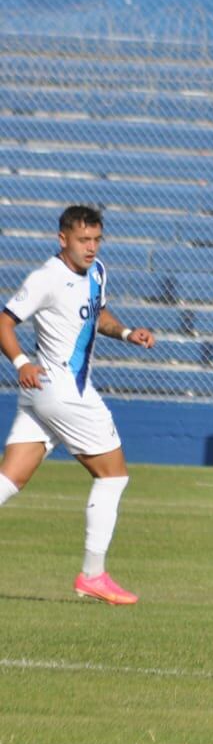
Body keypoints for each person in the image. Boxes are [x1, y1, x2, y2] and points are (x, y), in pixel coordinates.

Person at [0, 205, 156, 605]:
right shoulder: (46, 278)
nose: (91, 247)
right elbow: (4, 322)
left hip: (43, 397)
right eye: (83, 240)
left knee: (10, 479)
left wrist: (125, 332)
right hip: (65, 391)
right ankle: (93, 574)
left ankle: (94, 575)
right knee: (112, 476)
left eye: (96, 239)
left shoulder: (97, 272)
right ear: (62, 239)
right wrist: (21, 362)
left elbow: (97, 315)